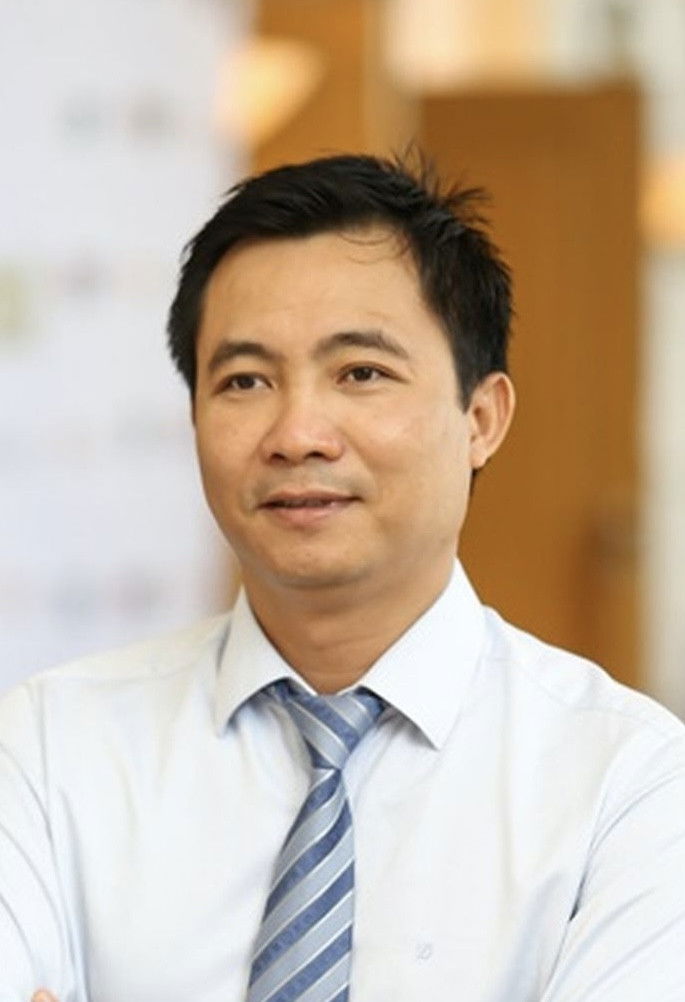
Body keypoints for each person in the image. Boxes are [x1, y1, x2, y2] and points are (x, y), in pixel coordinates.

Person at [3, 153, 684, 1002]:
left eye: (360, 373)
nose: (296, 434)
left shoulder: (628, 784)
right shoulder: (50, 749)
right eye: (244, 381)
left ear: (480, 419)